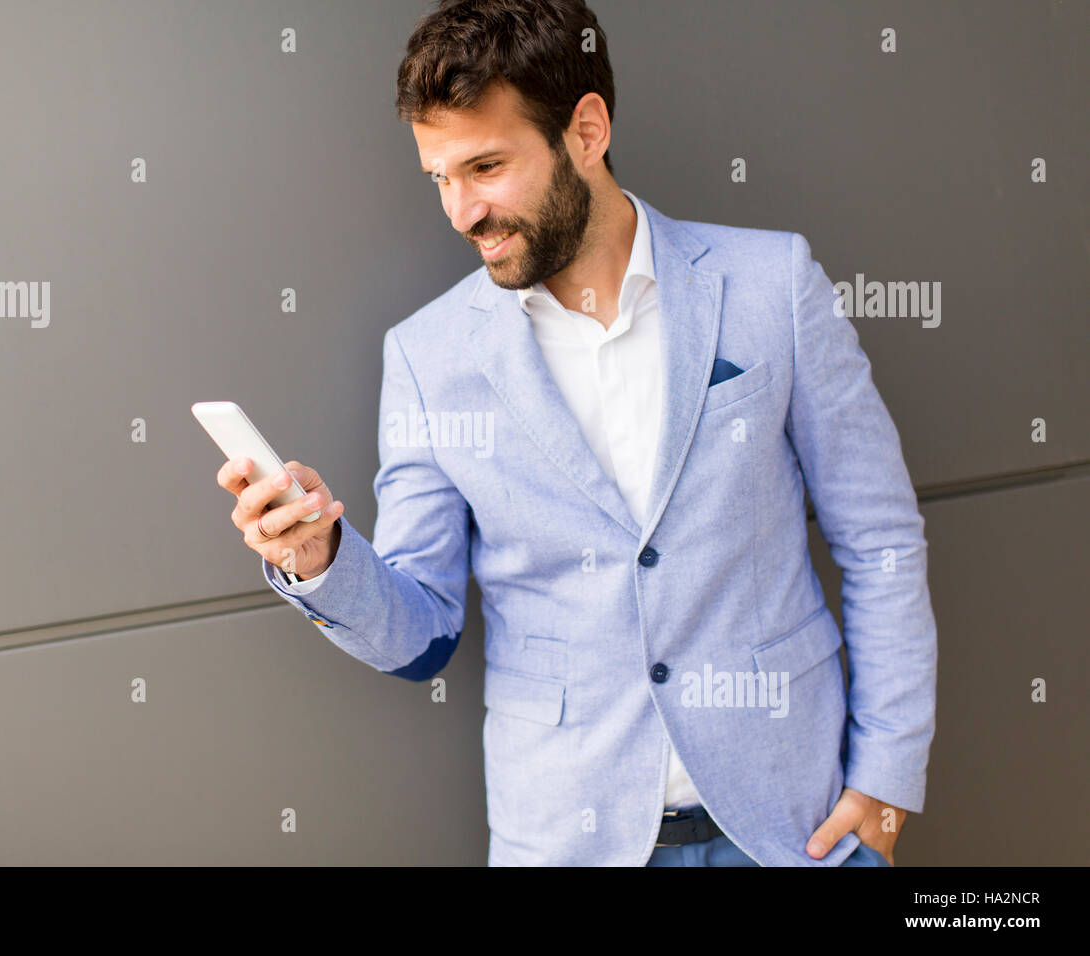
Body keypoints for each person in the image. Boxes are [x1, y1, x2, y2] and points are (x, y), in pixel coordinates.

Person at [216, 0, 935, 867]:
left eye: (485, 166)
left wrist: (887, 780)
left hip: (798, 828)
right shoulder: (426, 358)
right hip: (569, 841)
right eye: (439, 177)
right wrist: (320, 559)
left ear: (586, 130)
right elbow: (424, 633)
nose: (459, 212)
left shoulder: (771, 285)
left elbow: (880, 537)